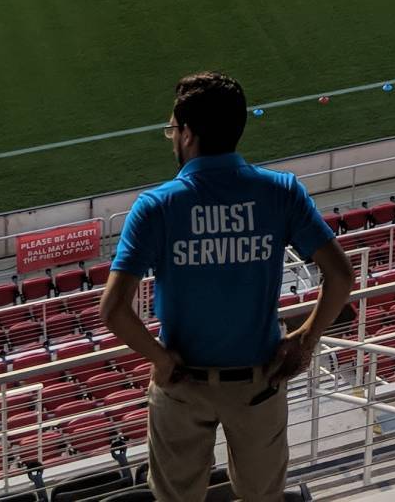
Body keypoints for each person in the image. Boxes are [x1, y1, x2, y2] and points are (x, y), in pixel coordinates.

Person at [101, 73, 354, 502]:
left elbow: (114, 310)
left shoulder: (157, 206)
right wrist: (306, 340)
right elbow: (342, 276)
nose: (171, 139)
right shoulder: (280, 191)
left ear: (188, 133)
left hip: (183, 386)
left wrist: (160, 360)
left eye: (172, 130)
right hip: (259, 381)